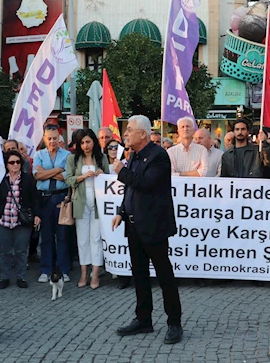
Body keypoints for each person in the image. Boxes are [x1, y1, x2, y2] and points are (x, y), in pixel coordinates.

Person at [112, 115, 183, 345]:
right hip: (133, 226)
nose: (126, 134)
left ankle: (174, 322)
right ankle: (144, 319)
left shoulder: (159, 156)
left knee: (164, 275)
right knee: (139, 275)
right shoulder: (133, 155)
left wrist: (121, 171)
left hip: (154, 226)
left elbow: (145, 184)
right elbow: (131, 192)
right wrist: (121, 212)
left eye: (130, 130)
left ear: (143, 133)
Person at [65, 129, 108, 289]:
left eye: (88, 142)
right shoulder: (73, 159)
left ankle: (95, 273)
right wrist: (82, 177)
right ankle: (84, 272)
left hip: (98, 202)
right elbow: (68, 179)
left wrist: (102, 173)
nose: (85, 145)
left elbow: (109, 179)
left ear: (94, 142)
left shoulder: (101, 157)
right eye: (82, 142)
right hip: (80, 201)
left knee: (96, 239)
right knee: (82, 239)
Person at [0, 150, 40, 289]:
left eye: (18, 162)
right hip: (4, 219)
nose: (15, 165)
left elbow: (35, 198)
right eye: (12, 162)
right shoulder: (0, 178)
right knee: (4, 251)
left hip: (22, 221)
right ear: (6, 164)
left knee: (21, 250)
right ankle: (5, 277)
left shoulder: (28, 179)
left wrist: (37, 215)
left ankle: (21, 277)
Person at [34, 125, 71, 283]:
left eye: (55, 138)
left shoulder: (68, 155)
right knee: (46, 236)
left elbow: (67, 177)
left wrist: (46, 173)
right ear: (44, 139)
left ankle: (63, 270)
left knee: (62, 236)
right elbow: (37, 176)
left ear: (59, 138)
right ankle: (45, 270)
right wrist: (57, 170)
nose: (52, 141)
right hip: (44, 199)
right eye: (49, 138)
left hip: (61, 198)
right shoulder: (39, 154)